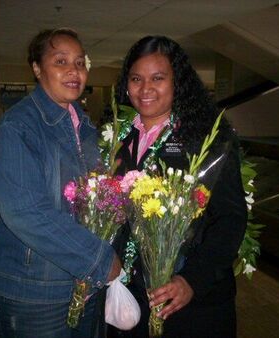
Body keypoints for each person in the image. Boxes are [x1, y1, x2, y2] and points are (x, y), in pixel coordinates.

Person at [0, 28, 121, 338]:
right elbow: (26, 212)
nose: (74, 70)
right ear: (37, 69)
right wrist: (99, 259)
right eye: (61, 61)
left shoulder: (86, 129)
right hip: (32, 293)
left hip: (82, 285)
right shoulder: (18, 127)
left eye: (80, 62)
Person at [107, 36, 247, 338]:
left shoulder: (207, 139)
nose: (145, 89)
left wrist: (192, 280)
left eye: (158, 78)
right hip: (133, 297)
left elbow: (231, 218)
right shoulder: (118, 139)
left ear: (178, 82)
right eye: (136, 79)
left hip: (193, 303)